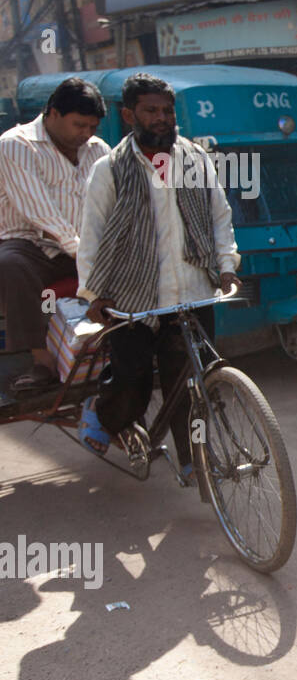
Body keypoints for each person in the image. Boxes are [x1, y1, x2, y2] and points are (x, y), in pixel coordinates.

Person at [76, 74, 240, 473]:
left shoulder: (196, 159)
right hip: (132, 295)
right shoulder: (109, 169)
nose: (162, 118)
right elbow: (92, 234)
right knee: (131, 383)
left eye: (167, 111)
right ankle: (104, 414)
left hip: (191, 290)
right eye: (151, 110)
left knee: (189, 382)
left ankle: (191, 461)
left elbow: (220, 217)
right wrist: (93, 295)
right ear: (129, 114)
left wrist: (226, 266)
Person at [0, 78, 110, 392]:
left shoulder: (98, 150)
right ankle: (42, 363)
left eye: (92, 126)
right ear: (53, 113)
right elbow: (39, 209)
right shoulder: (15, 144)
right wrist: (80, 250)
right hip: (30, 243)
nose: (86, 133)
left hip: (83, 244)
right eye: (79, 125)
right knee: (9, 264)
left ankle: (118, 348)